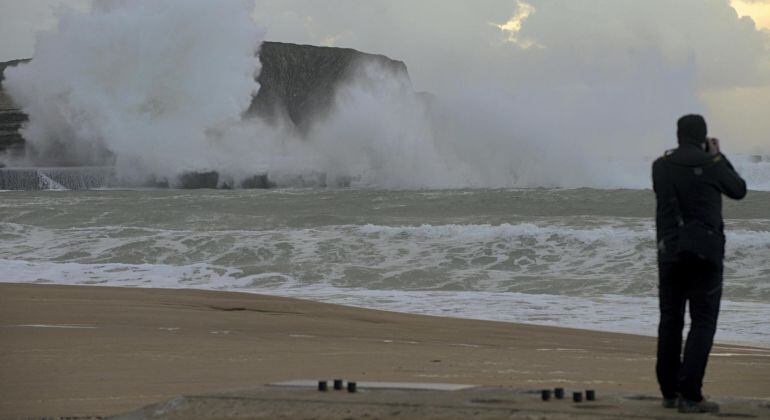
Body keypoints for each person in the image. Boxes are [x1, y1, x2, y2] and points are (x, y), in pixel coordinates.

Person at [651, 114, 747, 413]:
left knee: (670, 321)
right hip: (705, 254)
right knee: (702, 322)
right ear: (703, 137)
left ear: (678, 135)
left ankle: (669, 391)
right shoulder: (711, 164)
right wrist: (719, 157)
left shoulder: (660, 166)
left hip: (670, 252)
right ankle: (690, 395)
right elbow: (738, 190)